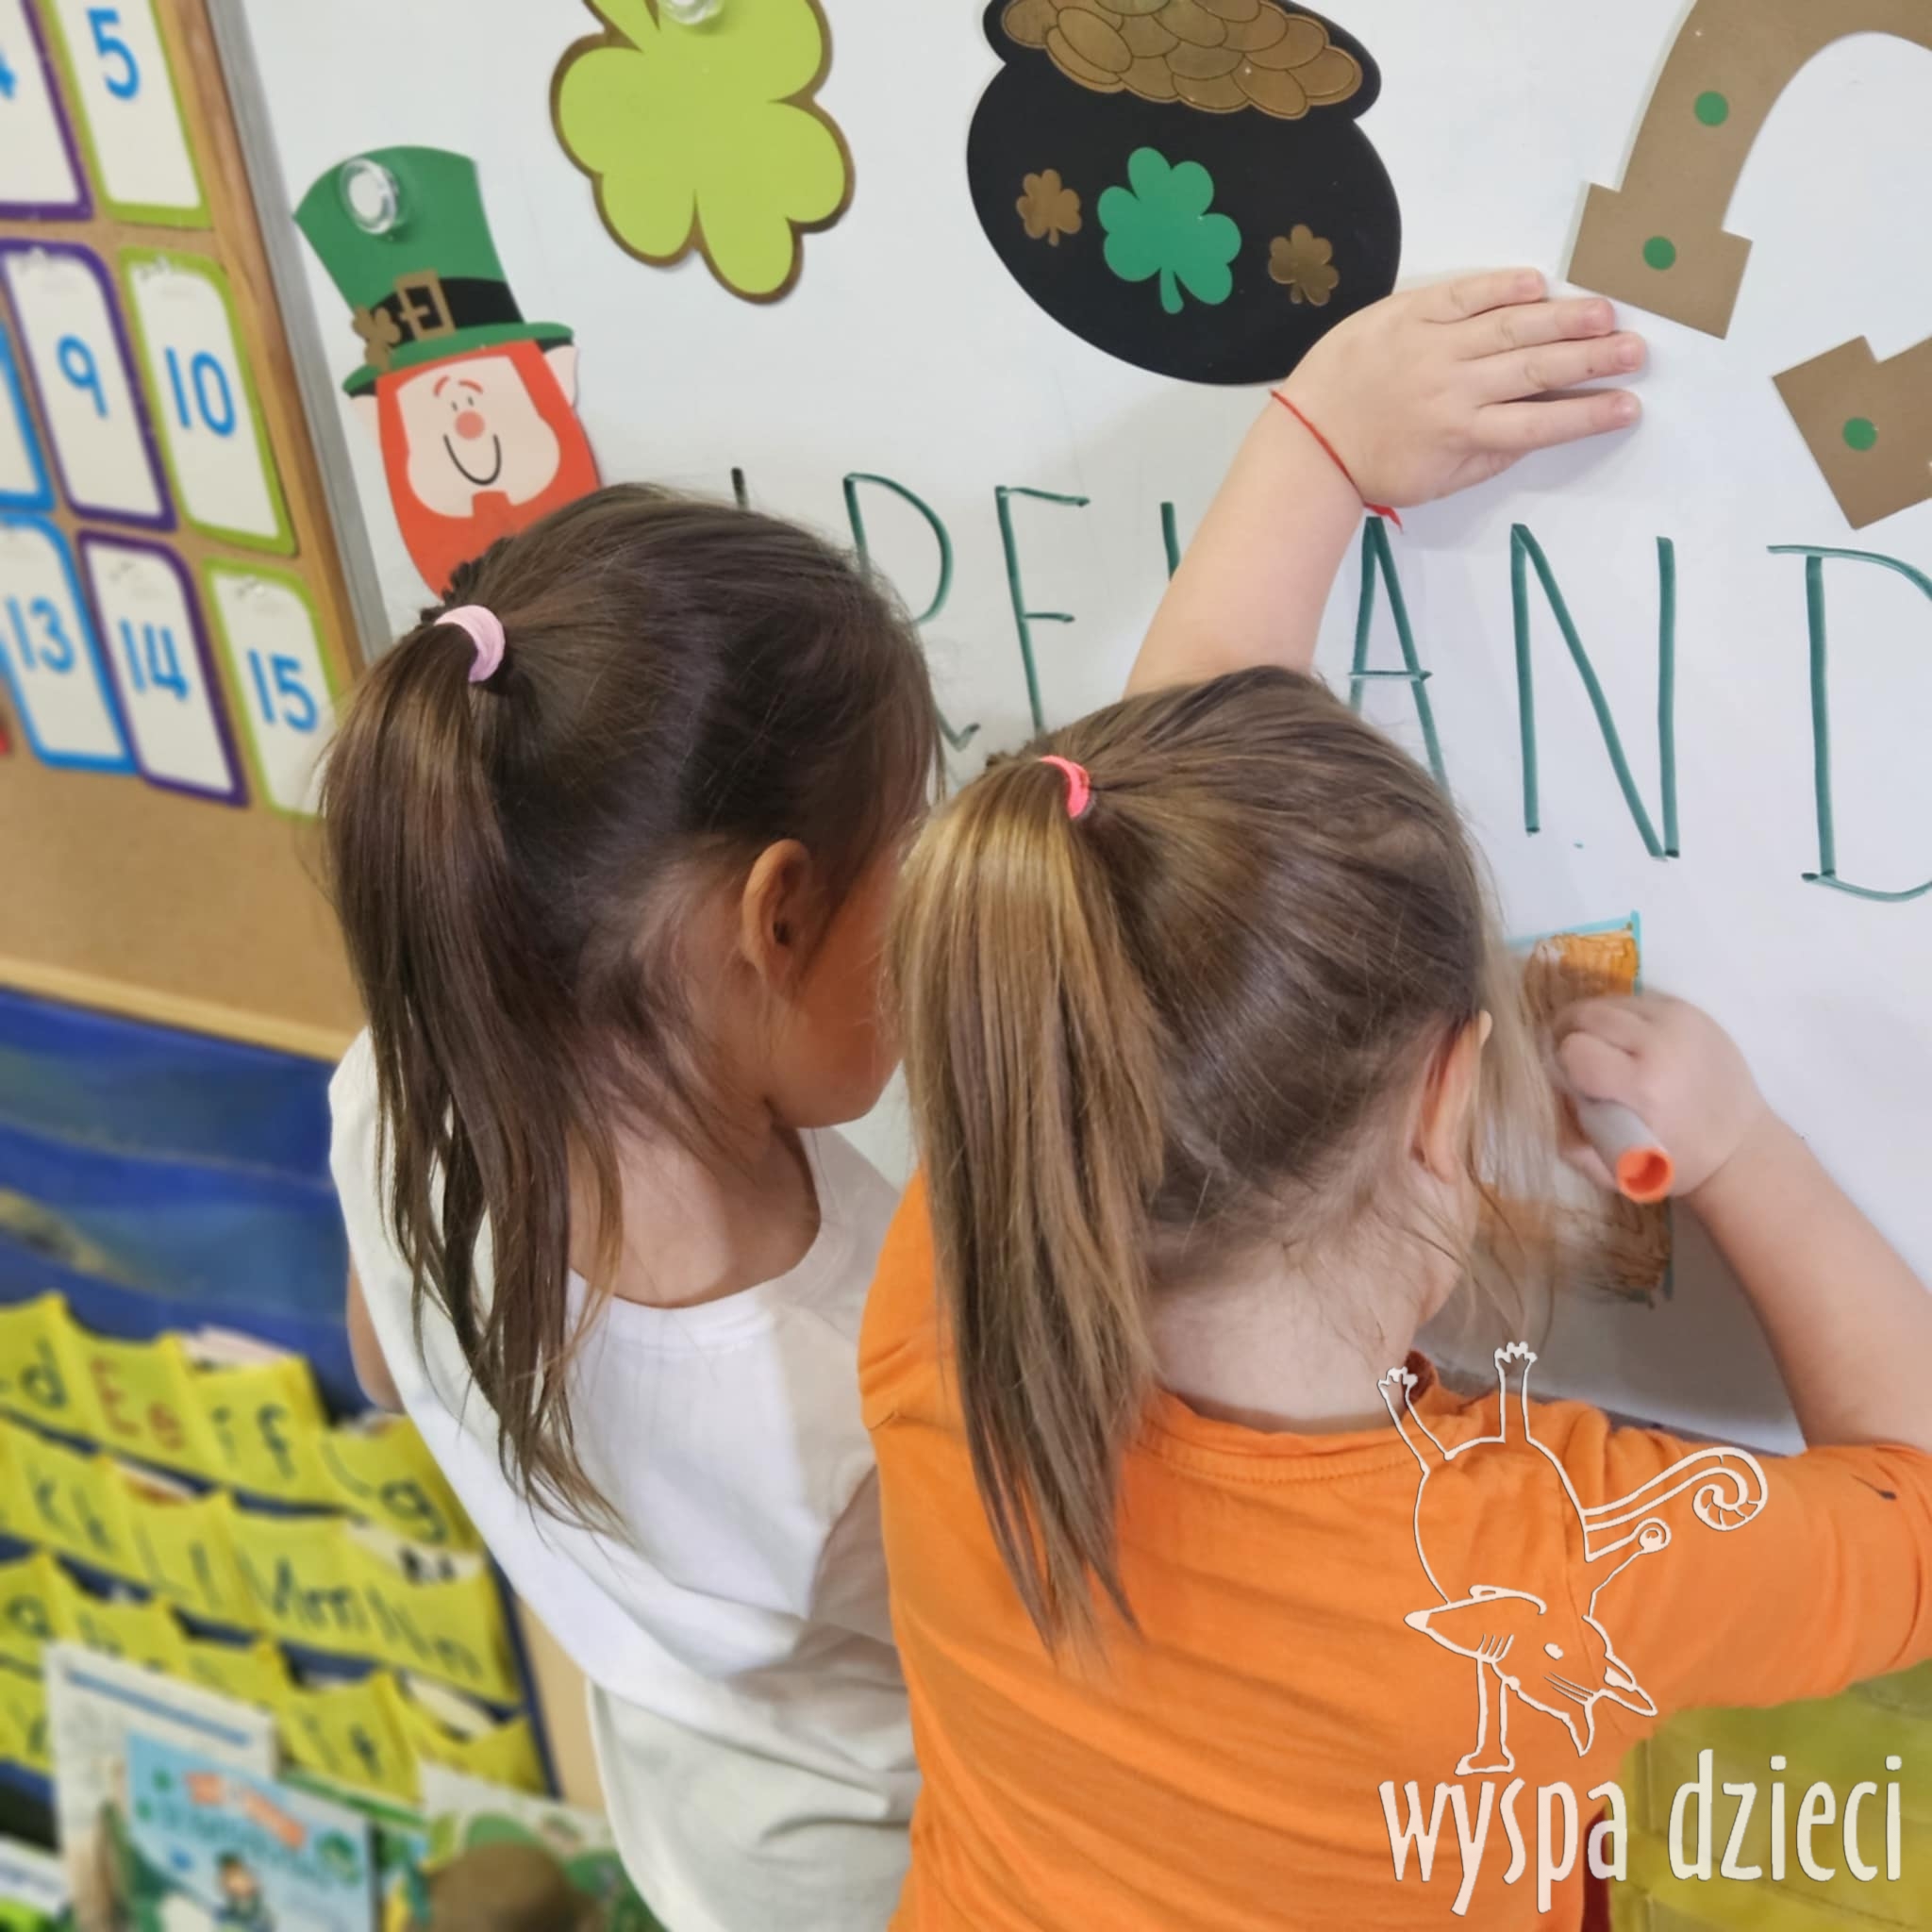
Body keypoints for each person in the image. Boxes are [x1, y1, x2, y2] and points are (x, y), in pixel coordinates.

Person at [325, 271, 1646, 1931]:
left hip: (702, 1816)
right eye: (914, 840)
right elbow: (1166, 928)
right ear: (779, 920)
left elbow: (384, 1351)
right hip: (898, 1864)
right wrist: (1307, 451)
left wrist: (1318, 451)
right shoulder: (876, 1370)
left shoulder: (410, 1090)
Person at [867, 395, 1932, 1924]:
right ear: (1450, 1103)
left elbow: (1148, 896)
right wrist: (1747, 1149)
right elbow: (1915, 1502)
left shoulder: (950, 1320)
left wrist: (1317, 450)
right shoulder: (1551, 1568)